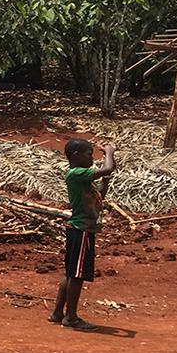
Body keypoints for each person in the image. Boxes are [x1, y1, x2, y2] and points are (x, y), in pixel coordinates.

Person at [49, 138, 115, 331]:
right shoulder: (76, 173)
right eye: (89, 154)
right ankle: (71, 318)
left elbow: (100, 194)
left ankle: (58, 313)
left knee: (71, 274)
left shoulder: (81, 177)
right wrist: (109, 152)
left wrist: (106, 177)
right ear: (76, 155)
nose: (91, 158)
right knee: (77, 275)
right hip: (82, 230)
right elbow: (108, 168)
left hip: (80, 230)